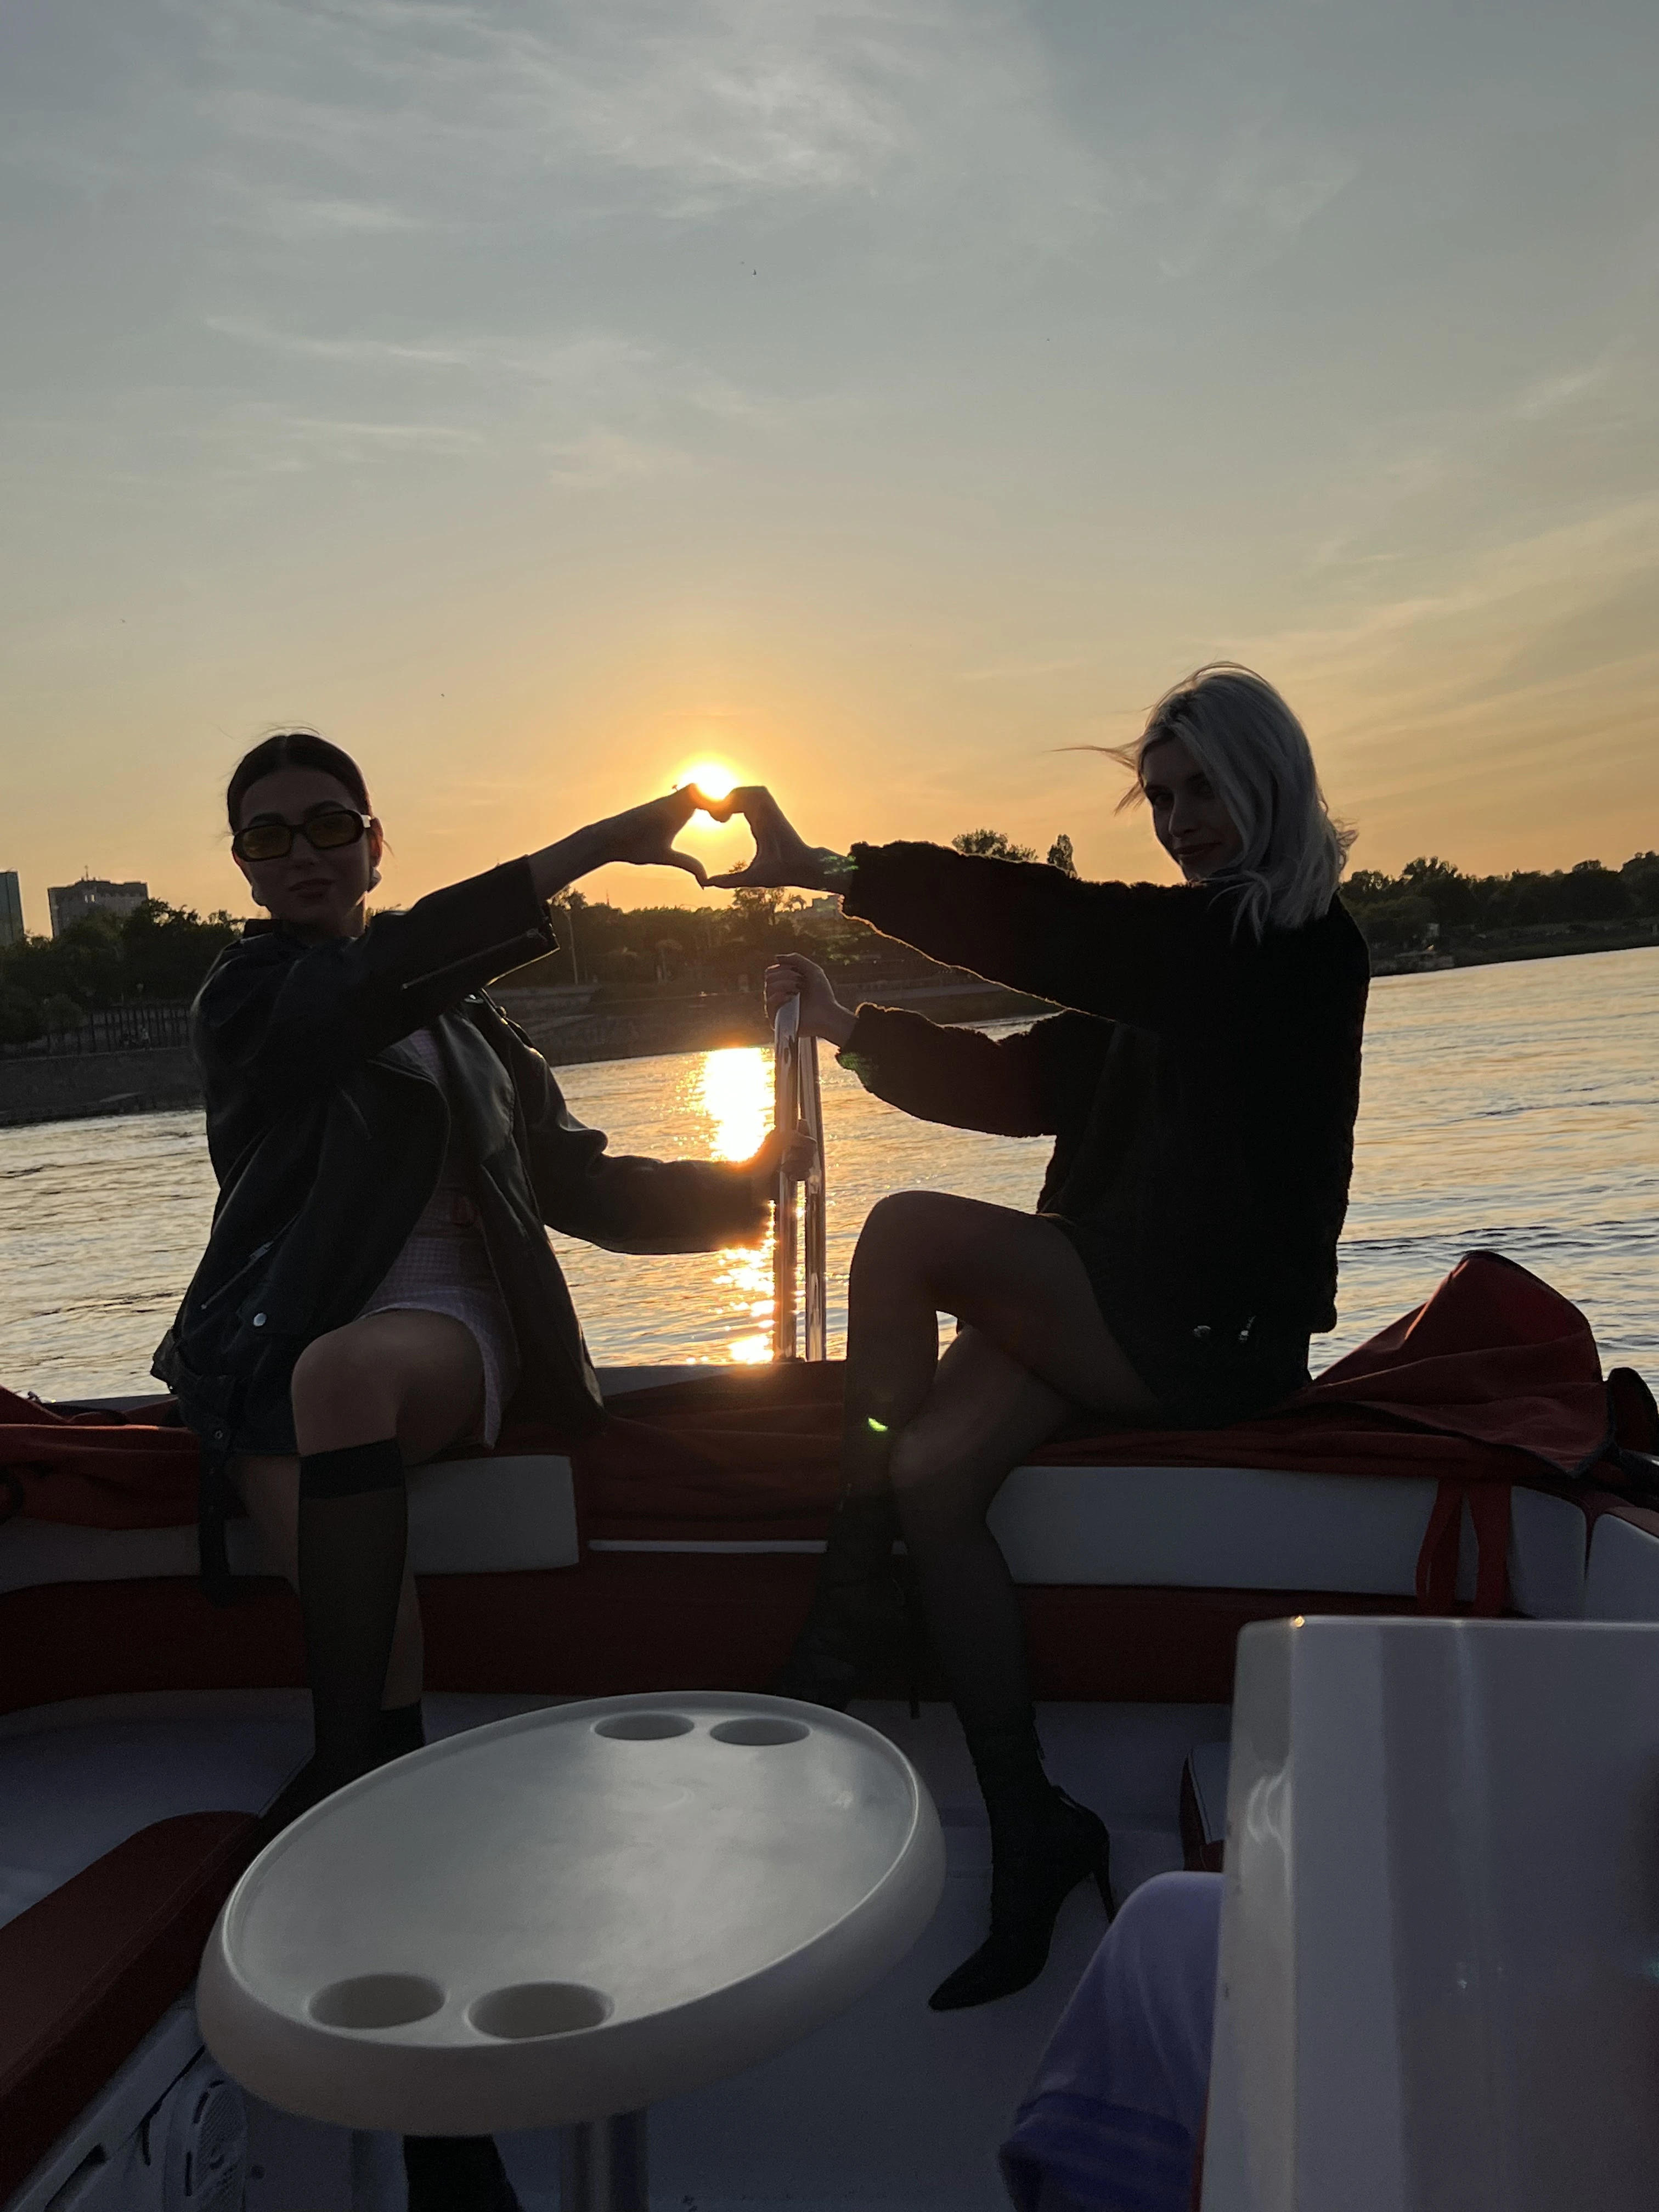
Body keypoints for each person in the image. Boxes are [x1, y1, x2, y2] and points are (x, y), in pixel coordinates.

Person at [154, 730, 805, 2212]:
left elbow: (572, 1181)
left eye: (330, 826)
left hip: (433, 1342)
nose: (305, 852)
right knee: (383, 1723)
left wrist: (744, 1194)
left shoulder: (475, 1034)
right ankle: (451, 2152)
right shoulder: (253, 998)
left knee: (348, 1389)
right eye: (271, 838)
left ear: (377, 844)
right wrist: (599, 841)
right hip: (274, 1371)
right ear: (247, 869)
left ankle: (345, 1800)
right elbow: (375, 986)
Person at [702, 664, 1368, 2012]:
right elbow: (1018, 1084)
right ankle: (1029, 1823)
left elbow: (1060, 931)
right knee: (935, 1480)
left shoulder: (1289, 951)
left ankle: (845, 1613)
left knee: (904, 1233)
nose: (1181, 820)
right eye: (1163, 797)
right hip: (1121, 1296)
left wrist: (838, 866)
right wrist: (844, 1026)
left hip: (1206, 1338)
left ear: (1271, 782)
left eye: (1204, 791)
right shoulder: (1182, 973)